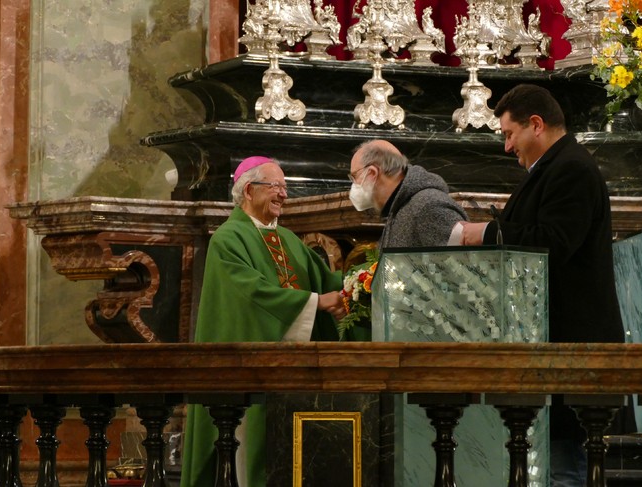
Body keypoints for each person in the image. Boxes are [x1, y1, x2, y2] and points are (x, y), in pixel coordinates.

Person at [460, 84, 634, 486]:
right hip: (553, 348)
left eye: (509, 134)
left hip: (572, 347)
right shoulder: (556, 165)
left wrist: (487, 234)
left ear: (535, 125)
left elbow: (553, 242)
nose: (506, 147)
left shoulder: (571, 167)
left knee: (566, 468)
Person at [180, 156, 346, 487]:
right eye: (276, 186)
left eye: (285, 187)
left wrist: (360, 288)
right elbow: (250, 296)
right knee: (252, 458)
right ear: (248, 190)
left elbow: (327, 283)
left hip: (296, 376)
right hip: (248, 376)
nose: (283, 194)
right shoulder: (228, 239)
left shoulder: (288, 240)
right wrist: (315, 302)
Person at [348, 139, 468, 248]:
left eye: (354, 176)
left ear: (372, 173)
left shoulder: (429, 206)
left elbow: (459, 267)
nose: (353, 184)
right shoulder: (398, 208)